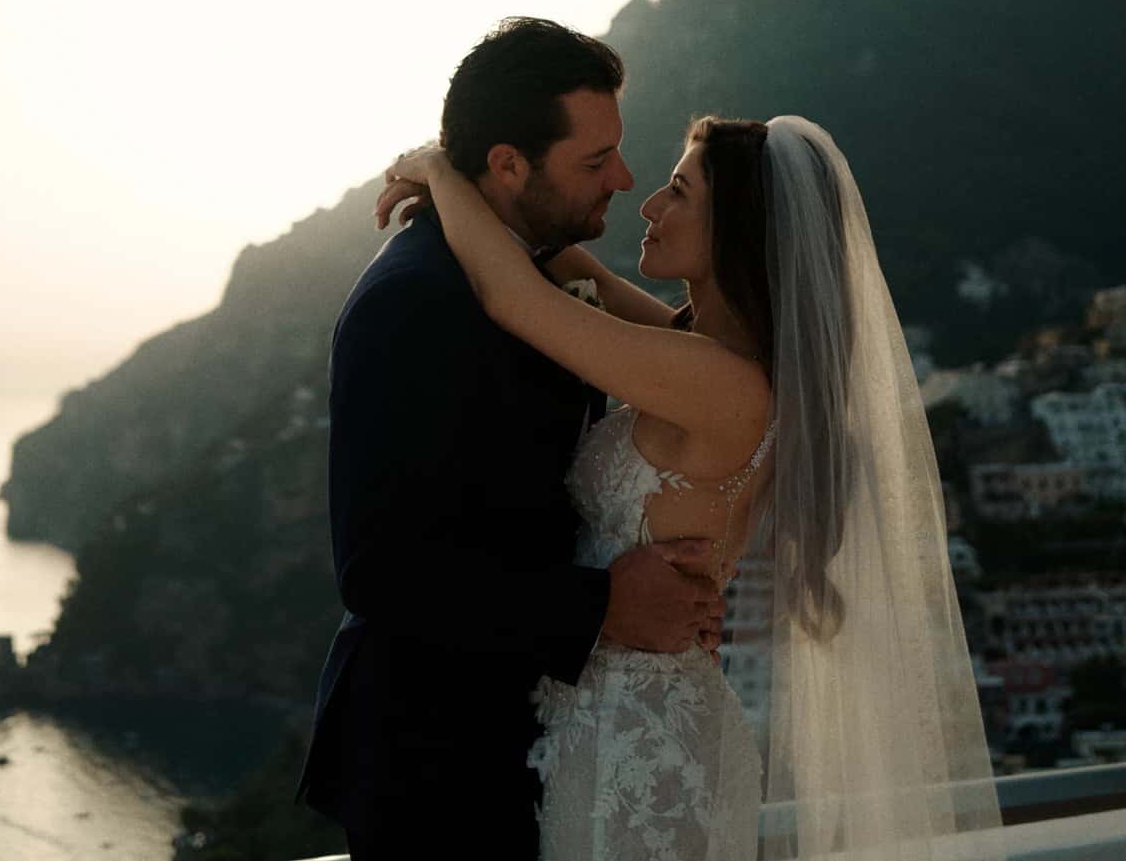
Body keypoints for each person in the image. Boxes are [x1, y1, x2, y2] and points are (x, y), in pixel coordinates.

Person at [376, 110, 1005, 860]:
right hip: (633, 722)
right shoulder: (729, 364)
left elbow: (514, 298)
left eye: (678, 191)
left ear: (735, 227)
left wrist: (439, 167)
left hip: (641, 746)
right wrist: (551, 237)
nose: (648, 205)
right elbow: (626, 308)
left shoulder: (719, 383)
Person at [297, 18, 730, 859]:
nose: (625, 179)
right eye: (596, 161)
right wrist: (602, 604)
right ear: (507, 165)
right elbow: (380, 568)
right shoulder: (412, 299)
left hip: (537, 742)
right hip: (436, 766)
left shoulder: (537, 268)